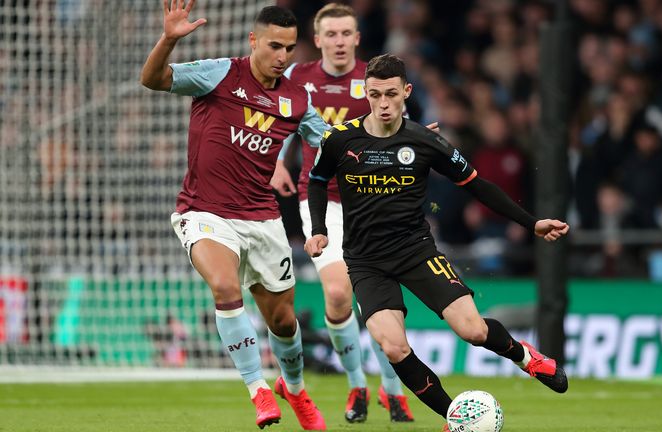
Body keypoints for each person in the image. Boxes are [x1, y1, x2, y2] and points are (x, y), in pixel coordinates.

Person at [304, 54, 570, 427]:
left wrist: (531, 223)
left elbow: (477, 185)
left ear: (407, 92)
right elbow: (317, 181)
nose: (383, 103)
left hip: (416, 252)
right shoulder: (339, 139)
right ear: (366, 92)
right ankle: (454, 418)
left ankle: (526, 358)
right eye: (376, 94)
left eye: (392, 94)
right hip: (366, 262)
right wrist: (318, 229)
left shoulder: (425, 141)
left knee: (473, 331)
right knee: (393, 346)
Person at [140, 1, 328, 430]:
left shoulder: (297, 100)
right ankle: (257, 388)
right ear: (253, 41)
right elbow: (152, 79)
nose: (282, 56)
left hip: (263, 220)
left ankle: (294, 389)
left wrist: (392, 138)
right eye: (274, 46)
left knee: (282, 321)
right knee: (224, 286)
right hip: (204, 212)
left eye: (290, 49)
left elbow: (334, 144)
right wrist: (169, 38)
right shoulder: (220, 72)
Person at [270, 3, 416, 423]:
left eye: (345, 33)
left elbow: (399, 128)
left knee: (382, 303)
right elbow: (281, 118)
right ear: (317, 40)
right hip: (320, 199)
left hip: (372, 201)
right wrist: (280, 160)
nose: (338, 41)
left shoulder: (375, 78)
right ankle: (357, 384)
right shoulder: (298, 77)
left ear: (356, 38)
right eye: (330, 34)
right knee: (337, 293)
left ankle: (393, 391)